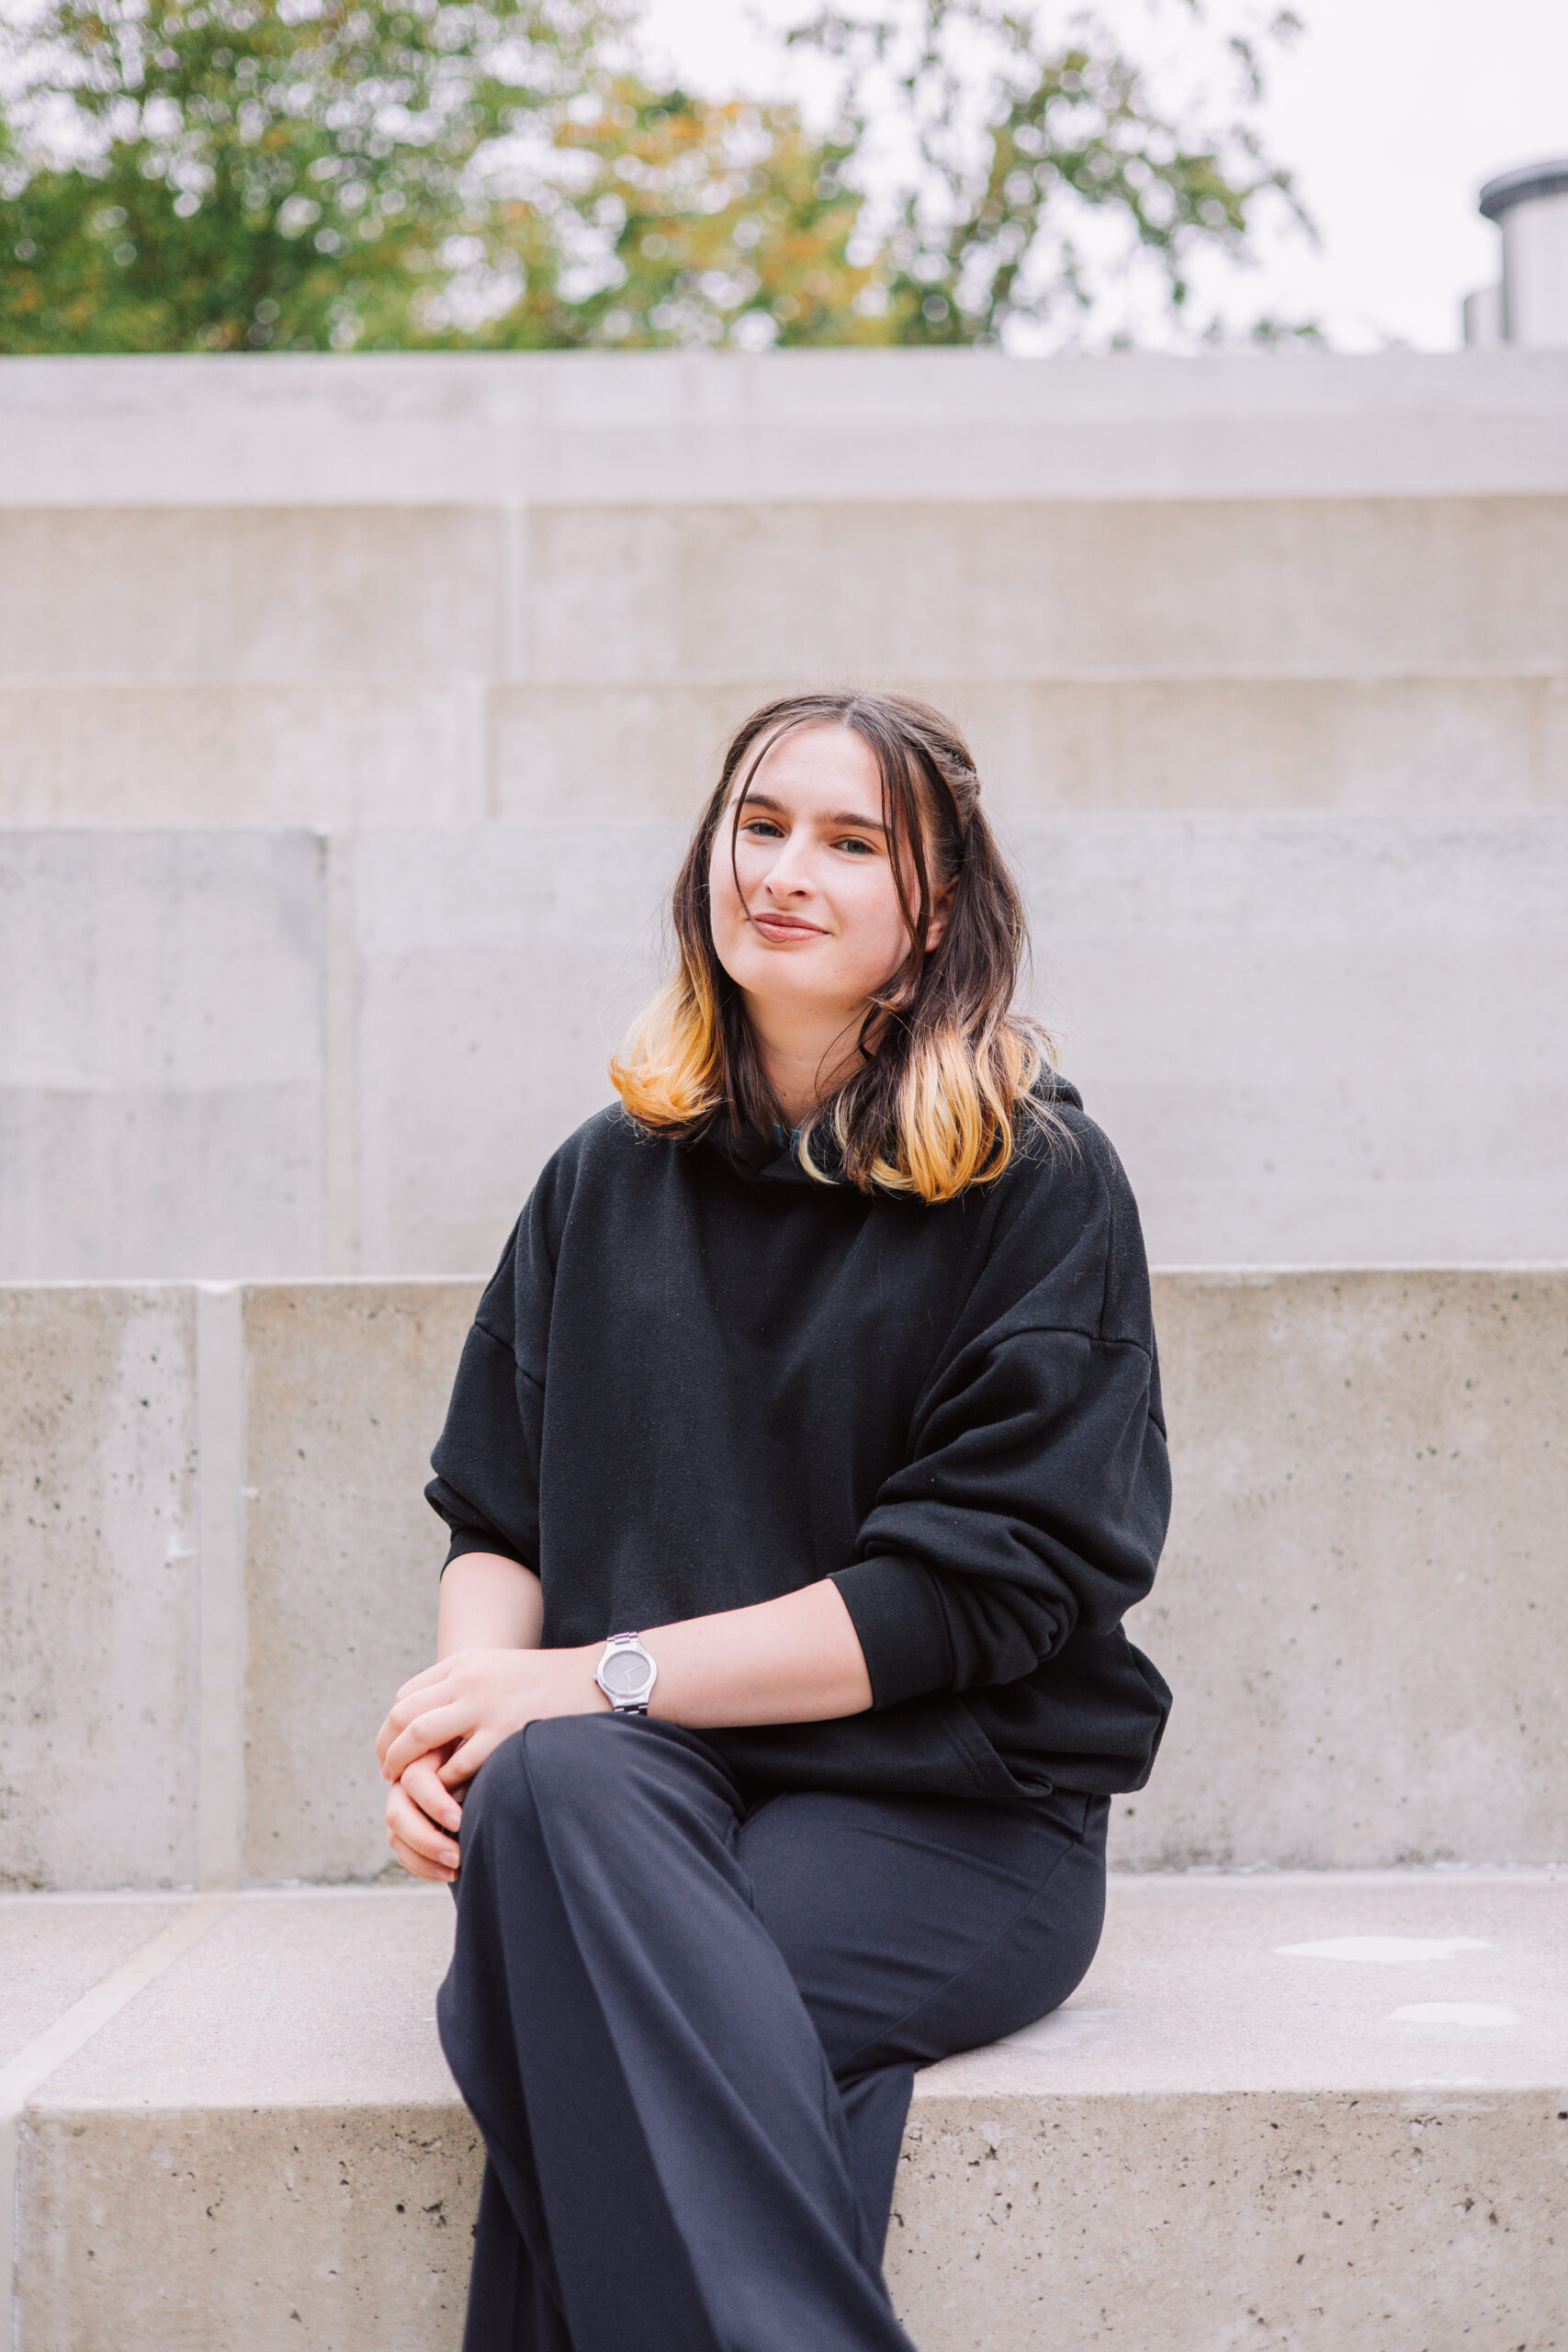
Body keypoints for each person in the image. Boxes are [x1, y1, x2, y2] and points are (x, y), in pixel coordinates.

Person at [375, 689, 1171, 2352]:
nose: (786, 870)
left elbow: (971, 1594)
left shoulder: (1039, 1181)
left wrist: (589, 1678)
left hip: (945, 1805)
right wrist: (465, 1717)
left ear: (933, 914)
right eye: (761, 823)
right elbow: (497, 1511)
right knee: (554, 1800)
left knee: (588, 2019)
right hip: (641, 1789)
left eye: (852, 841)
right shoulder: (604, 1175)